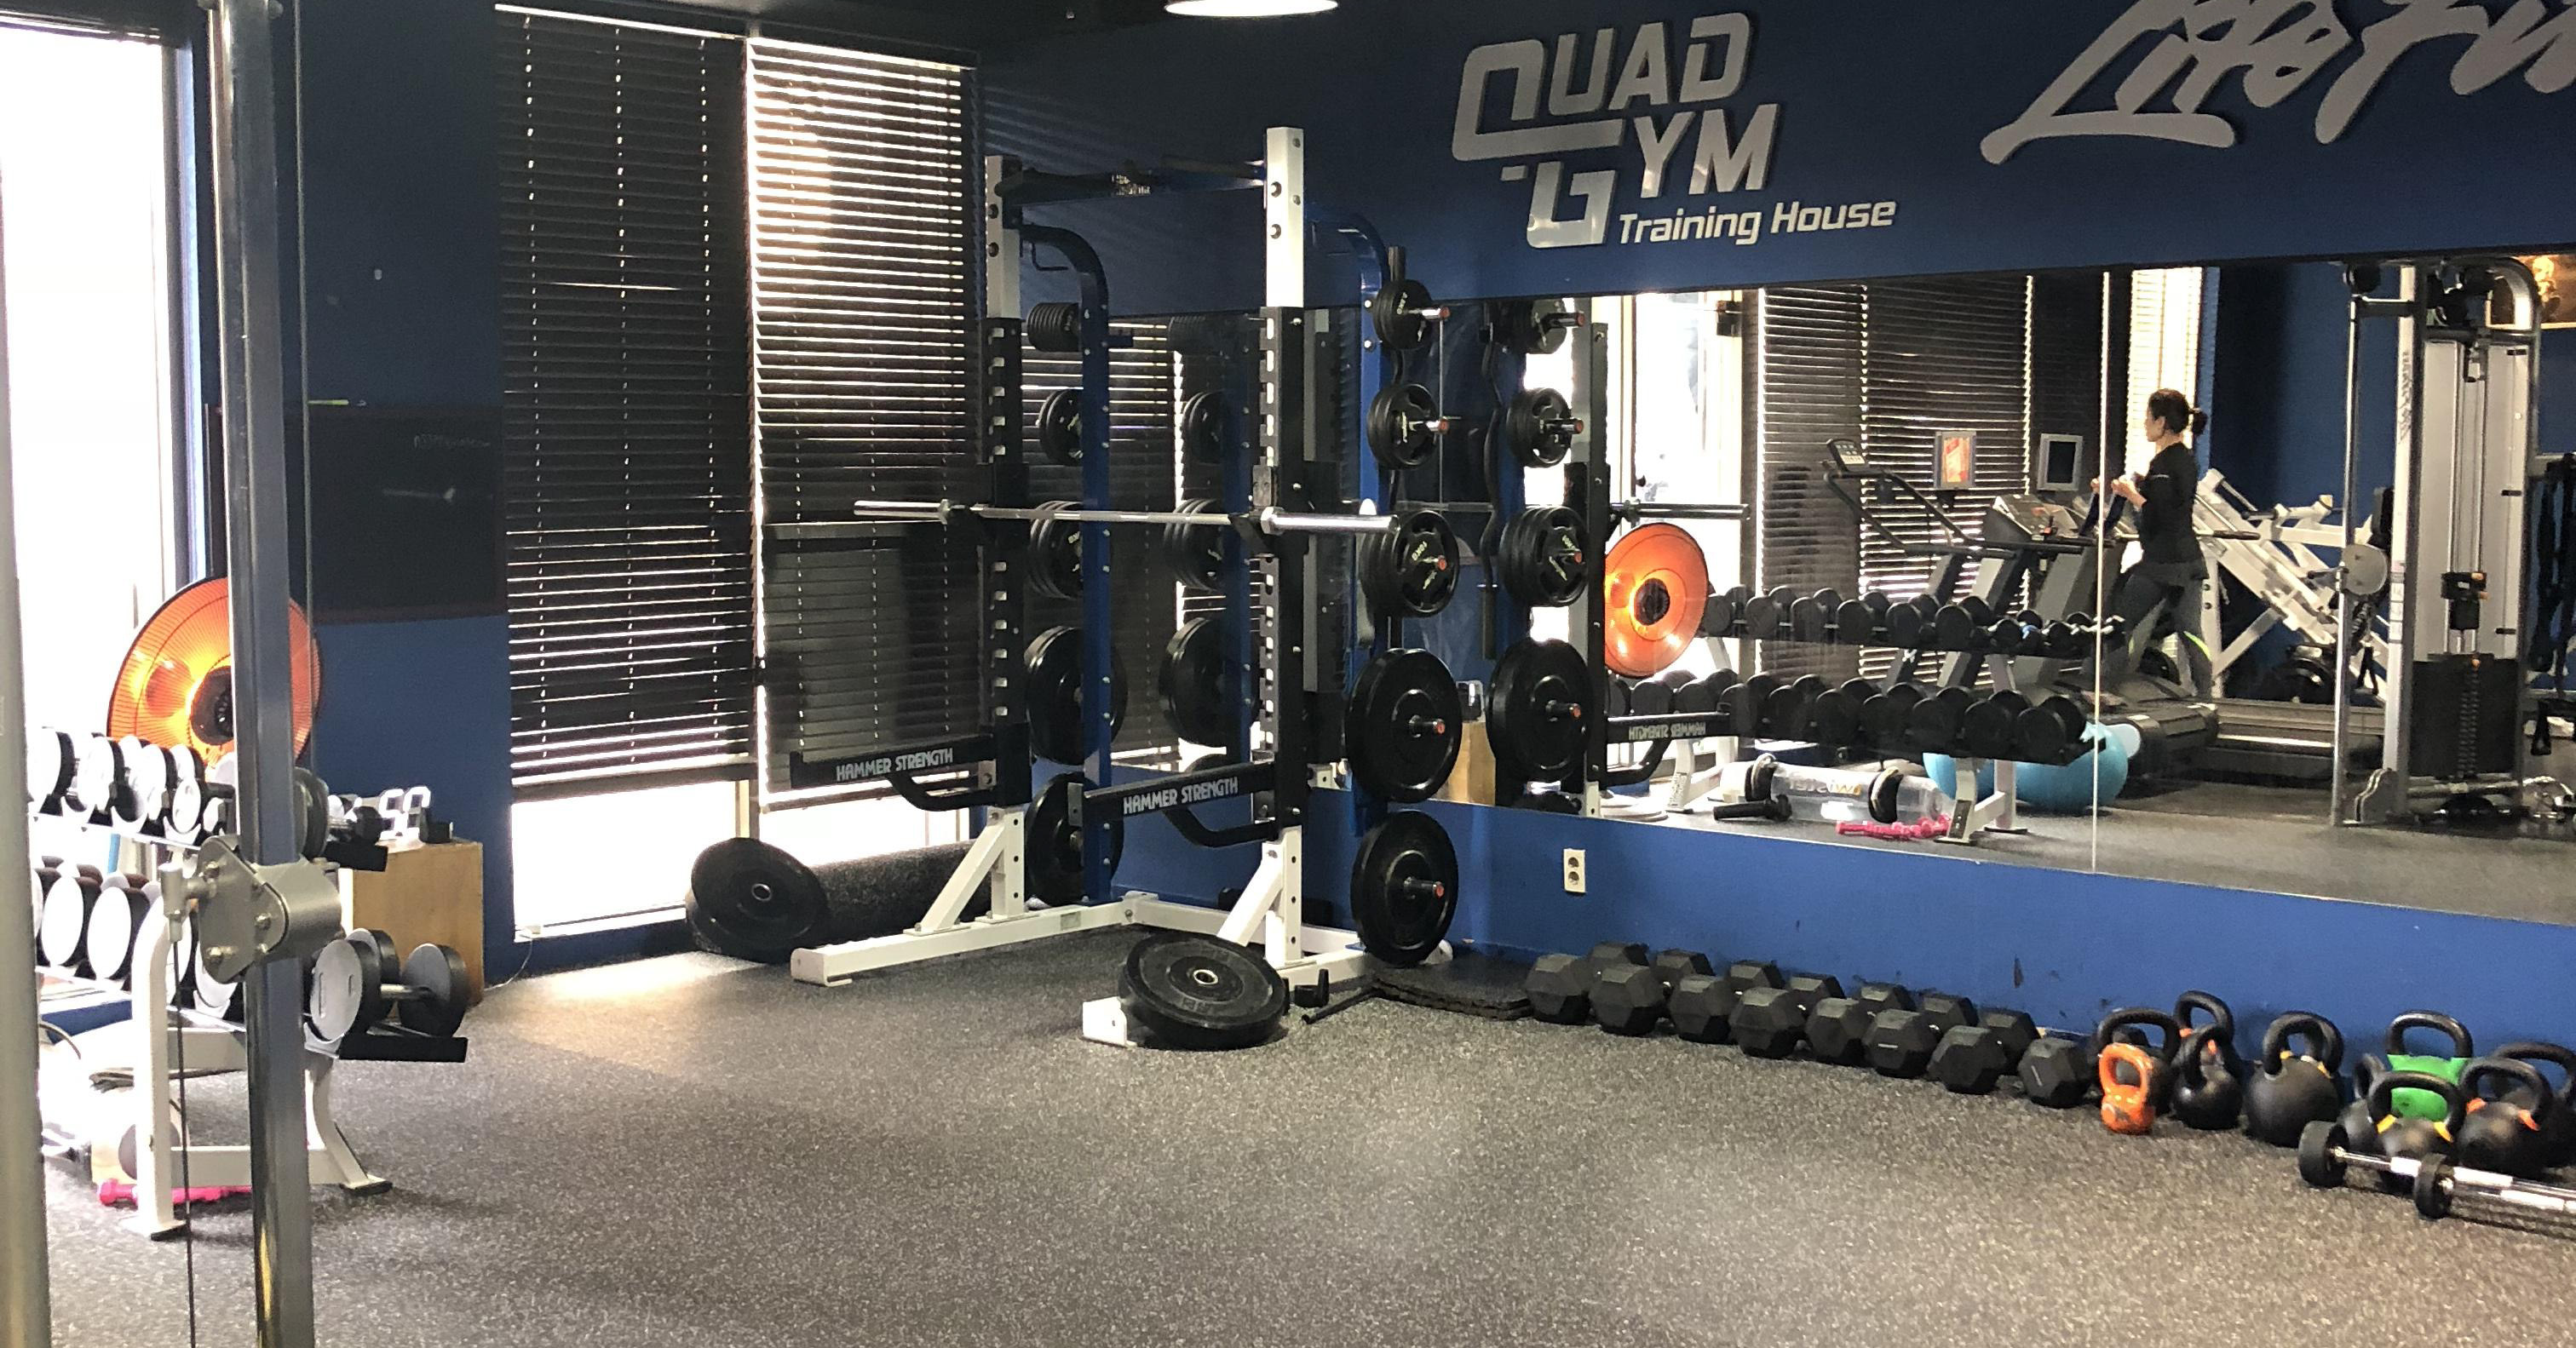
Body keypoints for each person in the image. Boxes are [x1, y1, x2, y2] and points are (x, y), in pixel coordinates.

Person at [2093, 388, 2212, 695]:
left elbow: (2162, 514)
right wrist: (2132, 486)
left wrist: (2131, 494)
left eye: (2148, 418)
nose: (2145, 424)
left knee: (2117, 622)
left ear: (2161, 422)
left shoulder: (2166, 463)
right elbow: (2166, 501)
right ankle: (2206, 696)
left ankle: (2104, 690)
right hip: (2188, 562)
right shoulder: (2183, 459)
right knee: (2191, 632)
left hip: (2163, 563)